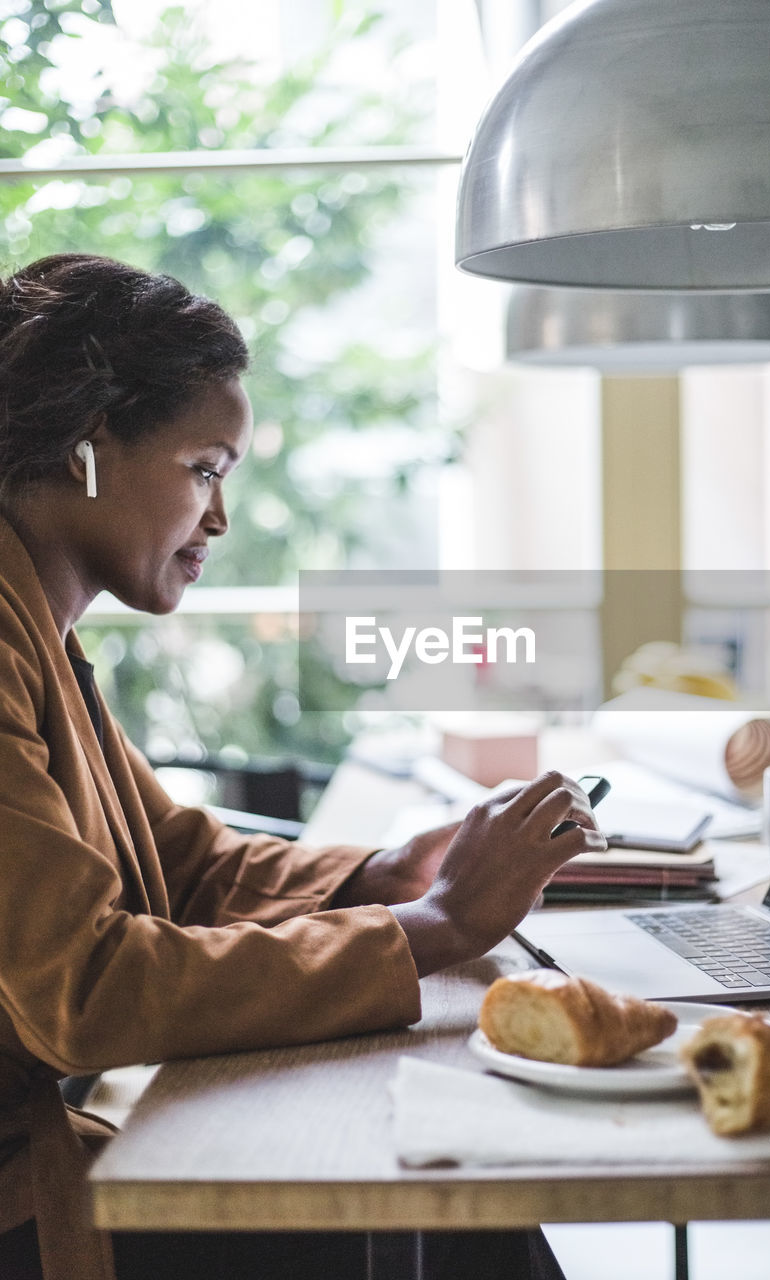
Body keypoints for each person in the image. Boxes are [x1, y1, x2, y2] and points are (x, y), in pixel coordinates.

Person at [0, 254, 606, 1280]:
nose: (220, 519)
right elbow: (88, 989)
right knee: (447, 1213)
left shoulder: (35, 634)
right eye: (206, 468)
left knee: (461, 1205)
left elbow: (184, 867)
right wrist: (437, 925)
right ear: (85, 447)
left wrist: (386, 874)